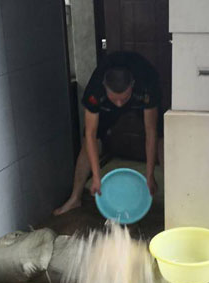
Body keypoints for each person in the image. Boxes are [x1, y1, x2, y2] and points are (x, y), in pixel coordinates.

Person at [54, 51, 163, 215]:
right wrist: (96, 176)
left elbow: (151, 132)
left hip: (140, 97)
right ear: (104, 87)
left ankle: (172, 199)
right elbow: (91, 134)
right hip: (106, 104)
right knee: (88, 143)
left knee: (162, 138)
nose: (119, 104)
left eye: (123, 99)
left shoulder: (147, 84)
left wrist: (149, 174)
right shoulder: (95, 90)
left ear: (132, 85)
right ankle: (75, 198)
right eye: (114, 99)